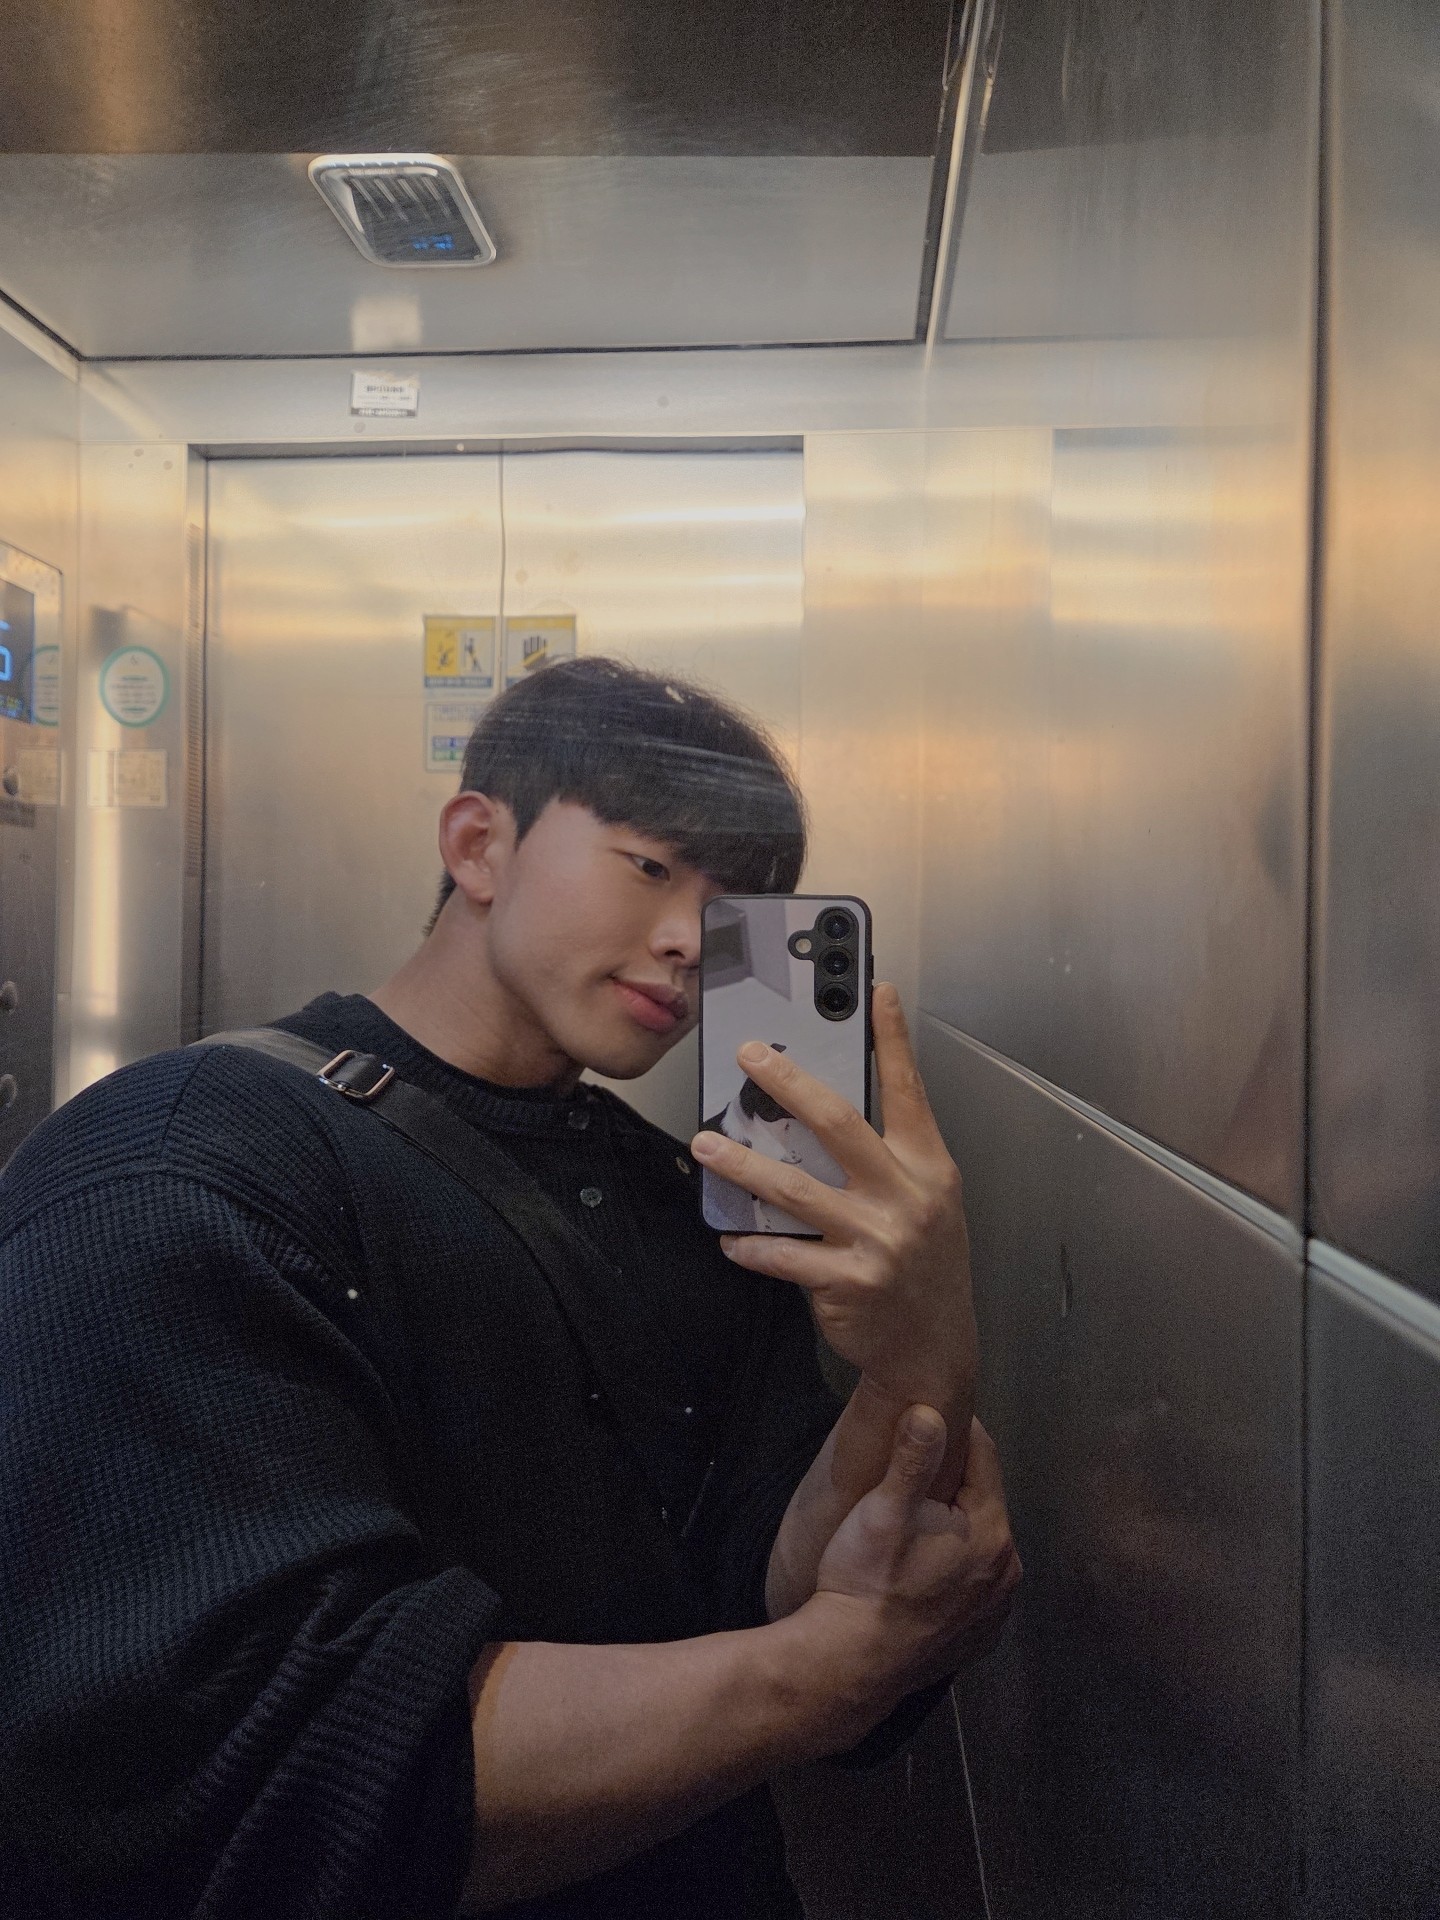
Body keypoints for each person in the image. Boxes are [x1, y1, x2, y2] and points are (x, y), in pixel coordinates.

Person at [0, 657, 1020, 1919]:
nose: (688, 941)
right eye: (652, 866)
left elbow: (774, 1560)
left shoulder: (676, 1192)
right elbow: (265, 1778)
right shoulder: (183, 1169)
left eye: (732, 910)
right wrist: (820, 1675)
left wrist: (925, 1345)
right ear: (479, 845)